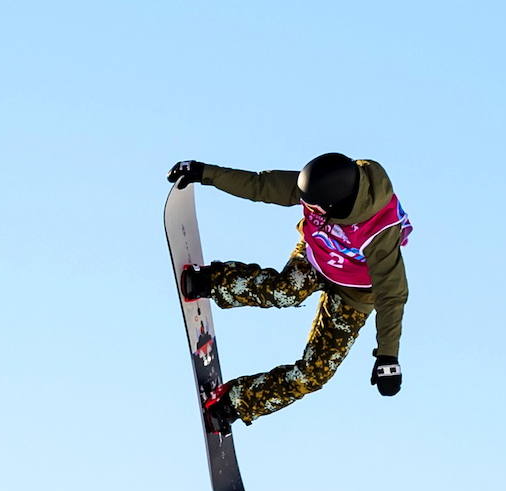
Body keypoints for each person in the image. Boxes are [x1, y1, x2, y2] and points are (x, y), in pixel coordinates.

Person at [167, 154, 411, 432]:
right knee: (286, 291)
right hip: (316, 258)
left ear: (334, 206)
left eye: (313, 207)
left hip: (354, 295)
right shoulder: (324, 186)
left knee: (314, 374)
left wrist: (388, 358)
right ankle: (213, 282)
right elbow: (260, 185)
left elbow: (392, 296)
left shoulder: (379, 231)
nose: (306, 207)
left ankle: (235, 403)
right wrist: (205, 173)